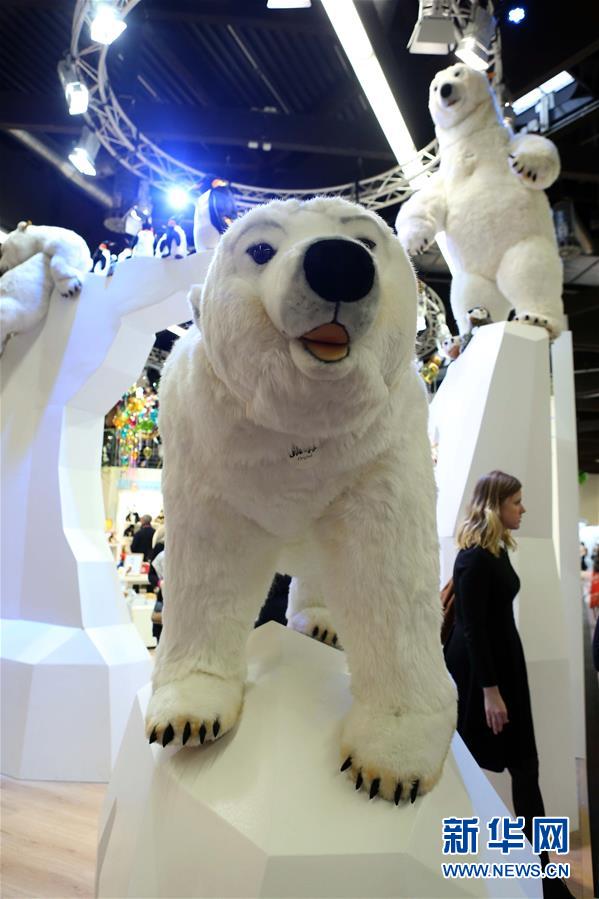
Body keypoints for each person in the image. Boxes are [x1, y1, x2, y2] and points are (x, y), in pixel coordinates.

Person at [444, 471, 574, 899]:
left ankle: (543, 876)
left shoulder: (496, 550)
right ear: (495, 505)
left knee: (525, 768)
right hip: (483, 677)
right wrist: (490, 691)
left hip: (503, 671)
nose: (522, 508)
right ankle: (527, 877)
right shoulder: (473, 558)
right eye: (516, 501)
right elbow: (472, 631)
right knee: (472, 768)